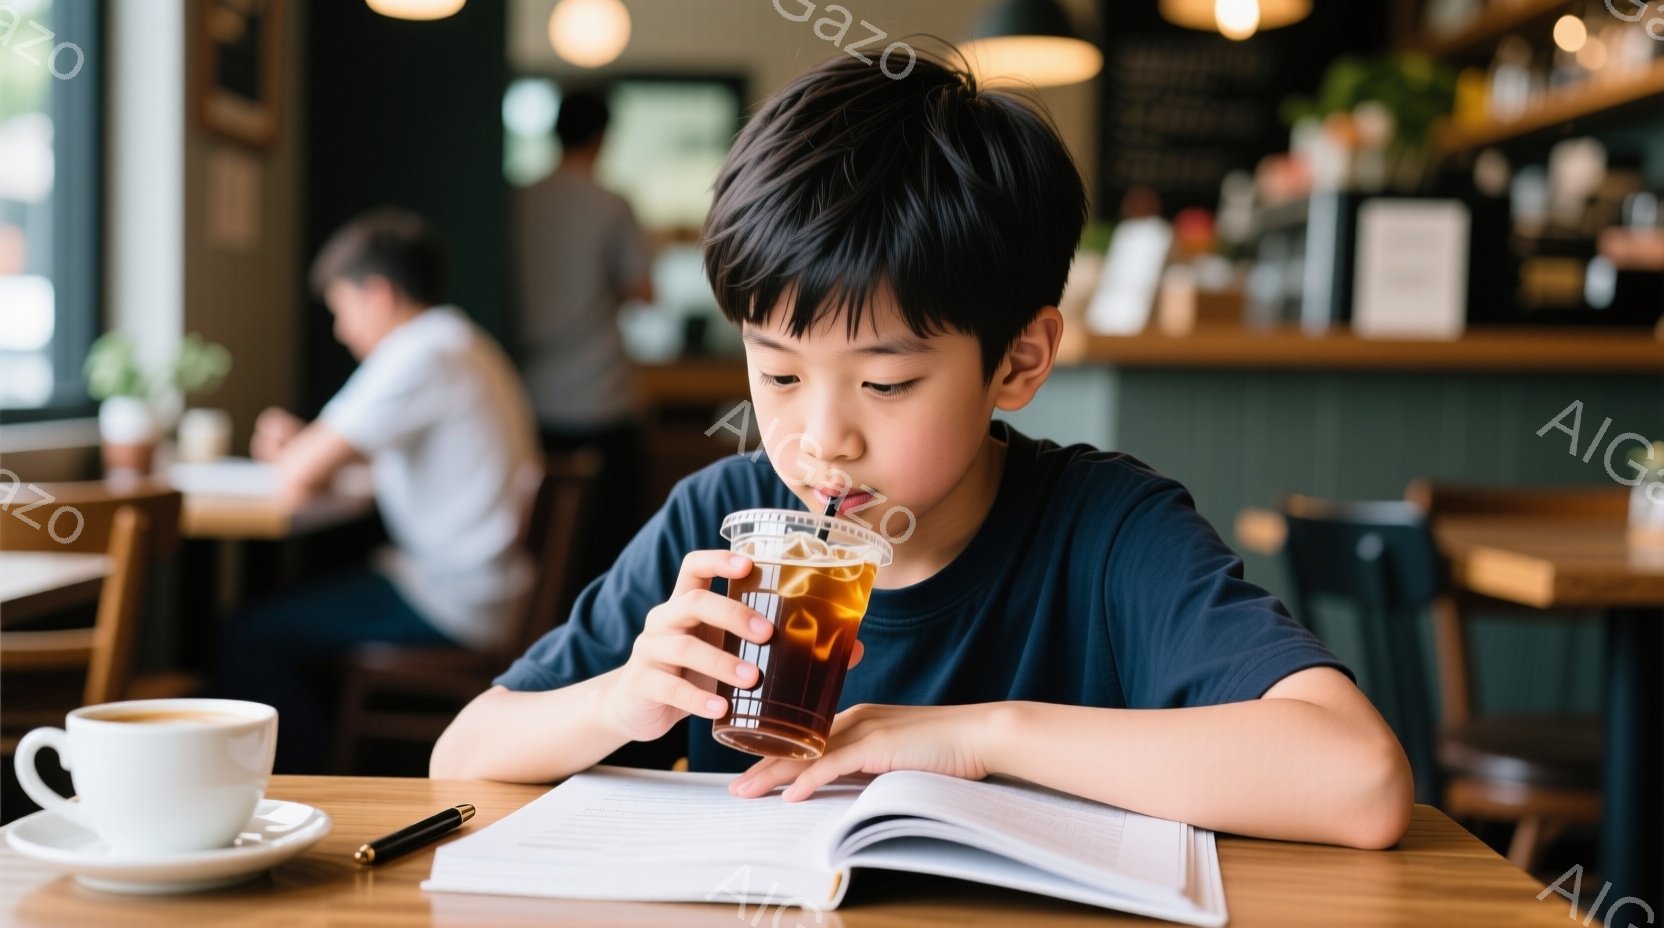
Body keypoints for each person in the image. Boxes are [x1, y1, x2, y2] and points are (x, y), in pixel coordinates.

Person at [431, 52, 1414, 849]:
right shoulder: (714, 523)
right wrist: (623, 699)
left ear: (1018, 361)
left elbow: (1357, 780)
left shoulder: (1105, 531)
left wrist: (972, 734)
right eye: (776, 375)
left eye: (885, 383)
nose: (820, 439)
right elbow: (461, 752)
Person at [220, 207, 538, 772]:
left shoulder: (418, 352)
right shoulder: (462, 342)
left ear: (379, 294)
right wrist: (307, 449)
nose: (343, 330)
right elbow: (350, 467)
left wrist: (293, 449)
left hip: (450, 601)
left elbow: (298, 477)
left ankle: (305, 787)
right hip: (486, 588)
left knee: (246, 636)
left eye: (343, 308)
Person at [515, 89, 655, 588]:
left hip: (530, 396)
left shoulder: (517, 200)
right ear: (601, 139)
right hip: (600, 397)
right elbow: (643, 291)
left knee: (546, 544)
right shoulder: (612, 204)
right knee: (607, 544)